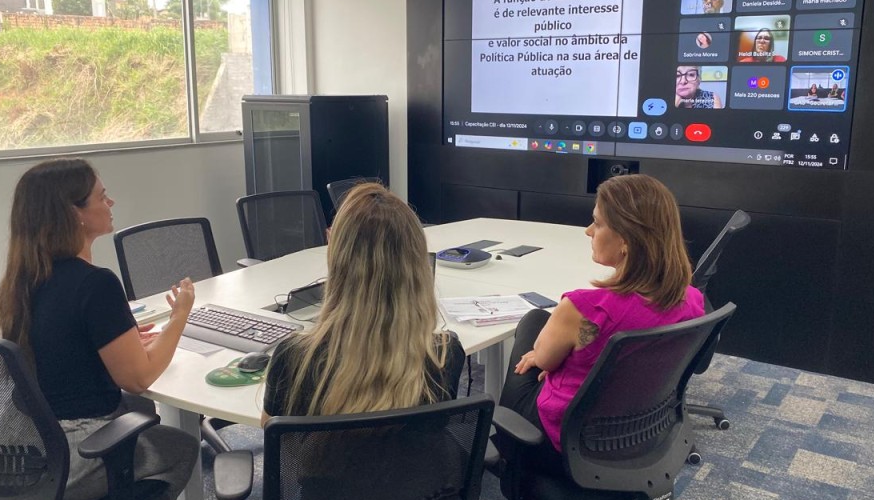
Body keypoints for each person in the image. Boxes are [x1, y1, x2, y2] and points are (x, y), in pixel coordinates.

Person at [0, 158, 199, 500]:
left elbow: (59, 345)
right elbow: (139, 377)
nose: (111, 202)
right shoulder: (96, 283)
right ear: (75, 214)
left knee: (138, 411)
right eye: (101, 197)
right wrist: (179, 318)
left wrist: (119, 338)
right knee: (182, 447)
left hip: (17, 449)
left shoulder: (22, 280)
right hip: (69, 459)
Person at [498, 174, 706, 470]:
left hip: (565, 440)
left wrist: (542, 358)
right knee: (542, 326)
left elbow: (544, 362)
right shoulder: (693, 300)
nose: (588, 231)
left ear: (625, 240)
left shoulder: (581, 308)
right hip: (639, 432)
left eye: (597, 223)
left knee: (533, 322)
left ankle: (509, 451)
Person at [263, 182, 464, 421]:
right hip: (408, 448)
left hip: (325, 449)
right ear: (417, 263)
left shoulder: (294, 357)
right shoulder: (444, 355)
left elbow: (271, 431)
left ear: (335, 254)